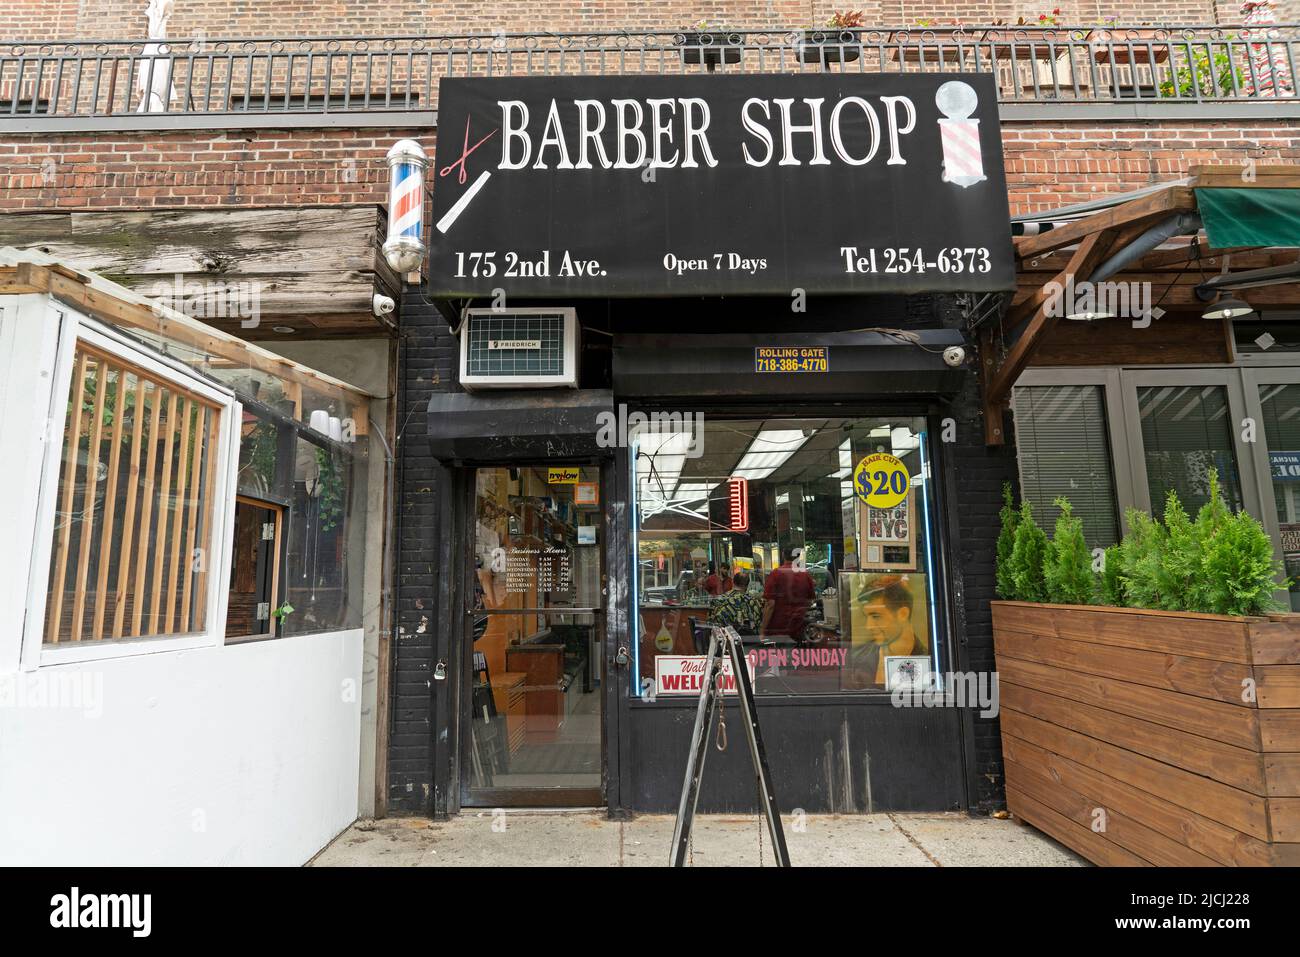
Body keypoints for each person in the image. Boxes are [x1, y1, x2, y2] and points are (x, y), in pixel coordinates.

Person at [844, 577, 924, 689]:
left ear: (903, 614)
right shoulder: (855, 657)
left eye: (876, 616)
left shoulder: (930, 658)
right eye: (867, 616)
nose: (869, 626)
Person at [760, 545, 816, 642]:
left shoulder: (776, 574)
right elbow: (810, 601)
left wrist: (762, 630)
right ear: (798, 557)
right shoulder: (806, 575)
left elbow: (770, 604)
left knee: (779, 656)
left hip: (778, 629)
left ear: (783, 555)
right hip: (799, 629)